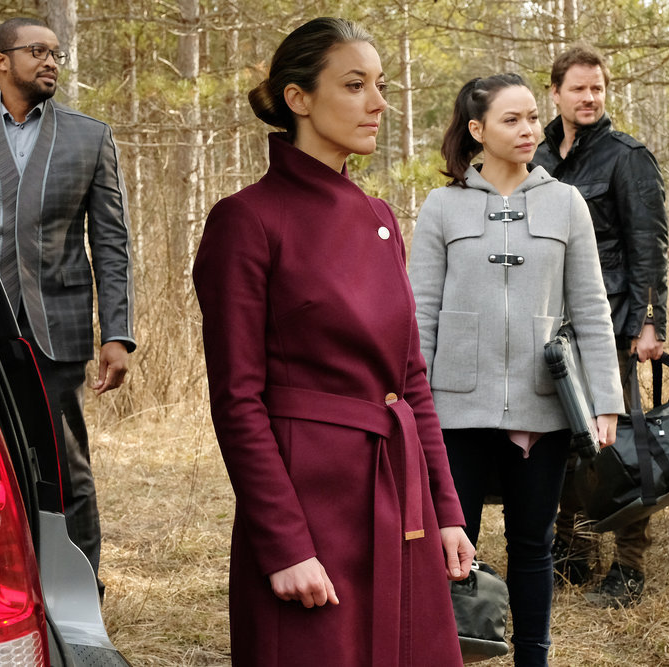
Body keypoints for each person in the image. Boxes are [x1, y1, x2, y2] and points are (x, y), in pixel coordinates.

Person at [192, 17, 474, 667]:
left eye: (381, 84)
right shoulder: (246, 221)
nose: (378, 103)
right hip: (310, 503)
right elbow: (237, 401)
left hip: (398, 495)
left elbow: (411, 379)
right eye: (354, 85)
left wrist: (446, 510)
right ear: (298, 98)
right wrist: (285, 543)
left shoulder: (379, 218)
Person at [408, 74, 624, 666]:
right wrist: (414, 406)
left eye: (532, 117)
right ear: (477, 130)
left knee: (534, 544)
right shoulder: (442, 205)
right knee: (454, 548)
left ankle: (534, 659)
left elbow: (591, 309)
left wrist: (606, 399)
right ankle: (446, 656)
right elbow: (419, 313)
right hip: (455, 409)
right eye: (512, 119)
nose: (529, 129)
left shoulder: (566, 202)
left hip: (542, 405)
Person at [0, 18, 135, 592]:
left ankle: (80, 597)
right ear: (1, 61)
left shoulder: (89, 137)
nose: (50, 62)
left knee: (68, 472)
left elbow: (111, 242)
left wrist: (116, 333)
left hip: (57, 331)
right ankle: (0, 593)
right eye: (37, 51)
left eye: (56, 53)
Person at [532, 44, 669, 608]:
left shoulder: (626, 156)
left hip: (610, 322)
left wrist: (649, 322)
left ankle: (630, 567)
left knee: (618, 445)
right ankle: (573, 553)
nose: (589, 98)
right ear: (555, 93)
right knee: (564, 443)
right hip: (551, 326)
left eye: (598, 88)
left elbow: (648, 247)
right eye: (579, 88)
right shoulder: (538, 155)